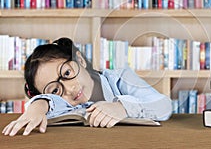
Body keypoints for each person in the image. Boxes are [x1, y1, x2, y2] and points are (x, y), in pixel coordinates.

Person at [2, 37, 172, 136]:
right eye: (55, 90)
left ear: (80, 60)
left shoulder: (120, 78)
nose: (69, 90)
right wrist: (37, 107)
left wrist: (122, 108)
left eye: (67, 74)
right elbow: (48, 102)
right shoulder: (61, 102)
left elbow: (163, 106)